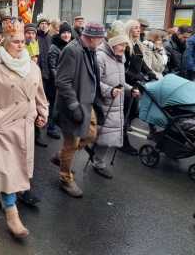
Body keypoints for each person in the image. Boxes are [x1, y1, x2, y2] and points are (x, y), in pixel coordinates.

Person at [0, 20, 48, 238]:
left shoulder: (31, 66)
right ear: (5, 42)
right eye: (15, 41)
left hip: (25, 124)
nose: (20, 45)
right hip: (2, 126)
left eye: (22, 41)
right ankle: (11, 213)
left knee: (21, 168)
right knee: (6, 169)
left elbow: (39, 93)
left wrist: (42, 113)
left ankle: (11, 196)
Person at [54, 22, 105, 198]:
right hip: (73, 105)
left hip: (86, 103)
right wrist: (74, 106)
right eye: (100, 39)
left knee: (91, 135)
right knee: (72, 144)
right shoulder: (72, 50)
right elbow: (62, 81)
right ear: (91, 38)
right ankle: (65, 179)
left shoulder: (89, 49)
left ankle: (60, 156)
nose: (101, 42)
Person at [93, 22, 139, 178]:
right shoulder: (100, 57)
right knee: (90, 137)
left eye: (125, 44)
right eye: (121, 44)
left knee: (107, 137)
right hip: (102, 103)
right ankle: (64, 156)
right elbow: (93, 82)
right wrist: (109, 90)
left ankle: (98, 162)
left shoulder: (120, 58)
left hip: (115, 103)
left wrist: (130, 89)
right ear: (113, 43)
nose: (123, 48)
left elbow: (120, 81)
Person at [122, 19, 157, 155]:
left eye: (139, 28)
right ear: (129, 29)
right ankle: (123, 142)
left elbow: (141, 63)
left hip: (135, 83)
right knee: (126, 113)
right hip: (126, 84)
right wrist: (138, 77)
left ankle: (122, 132)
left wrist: (149, 72)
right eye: (135, 28)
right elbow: (123, 68)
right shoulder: (126, 45)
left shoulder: (137, 45)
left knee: (133, 112)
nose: (138, 30)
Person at [47, 22, 73, 139]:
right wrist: (59, 82)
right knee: (54, 106)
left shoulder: (70, 45)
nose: (66, 35)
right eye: (64, 33)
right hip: (56, 83)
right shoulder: (54, 47)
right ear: (60, 33)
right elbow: (52, 67)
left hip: (66, 81)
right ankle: (51, 128)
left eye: (68, 32)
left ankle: (57, 125)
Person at [36, 17, 52, 147]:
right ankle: (37, 134)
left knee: (45, 103)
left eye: (46, 24)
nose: (44, 26)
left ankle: (46, 125)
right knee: (38, 104)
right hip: (38, 75)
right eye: (41, 24)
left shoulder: (50, 38)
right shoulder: (35, 37)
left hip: (49, 76)